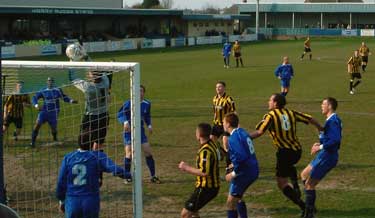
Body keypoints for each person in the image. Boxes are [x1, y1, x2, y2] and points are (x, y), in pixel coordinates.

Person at [250, 93, 322, 216]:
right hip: (297, 151)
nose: (268, 102)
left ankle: (304, 206)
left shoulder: (270, 115)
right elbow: (309, 118)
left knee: (281, 183)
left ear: (276, 103)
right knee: (289, 166)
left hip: (284, 152)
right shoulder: (291, 112)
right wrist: (321, 127)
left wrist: (244, 138)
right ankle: (295, 185)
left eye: (270, 100)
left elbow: (259, 131)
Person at [56, 131, 128, 218]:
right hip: (90, 201)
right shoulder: (98, 156)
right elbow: (116, 170)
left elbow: (61, 181)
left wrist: (61, 200)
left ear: (78, 143)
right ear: (92, 143)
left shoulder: (68, 158)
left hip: (72, 201)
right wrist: (129, 175)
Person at [300, 97, 342, 218]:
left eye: (323, 104)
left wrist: (320, 147)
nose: (321, 106)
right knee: (303, 174)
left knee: (309, 184)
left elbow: (335, 140)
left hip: (328, 156)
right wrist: (320, 143)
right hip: (324, 154)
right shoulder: (331, 120)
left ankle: (309, 213)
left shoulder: (333, 121)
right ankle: (311, 205)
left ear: (329, 106)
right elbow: (330, 138)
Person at [117, 85, 161, 184]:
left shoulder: (146, 104)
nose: (139, 93)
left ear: (143, 93)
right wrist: (125, 122)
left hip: (140, 131)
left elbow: (147, 115)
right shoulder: (128, 103)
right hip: (129, 132)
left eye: (141, 91)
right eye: (137, 91)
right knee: (129, 154)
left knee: (148, 152)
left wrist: (149, 125)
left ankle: (153, 176)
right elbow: (120, 114)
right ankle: (127, 176)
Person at [178, 123, 220, 218]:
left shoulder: (206, 151)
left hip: (206, 188)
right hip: (207, 187)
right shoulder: (211, 144)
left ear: (199, 134)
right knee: (194, 212)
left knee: (185, 214)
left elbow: (204, 172)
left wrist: (186, 167)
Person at [223, 113, 259, 218]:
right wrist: (233, 164)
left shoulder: (233, 139)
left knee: (230, 203)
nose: (223, 125)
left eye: (224, 122)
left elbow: (241, 157)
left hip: (245, 173)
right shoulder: (242, 131)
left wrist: (233, 174)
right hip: (253, 168)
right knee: (238, 197)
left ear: (228, 124)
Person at [31, 77, 77, 148]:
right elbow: (34, 97)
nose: (50, 82)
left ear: (53, 82)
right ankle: (32, 142)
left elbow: (64, 97)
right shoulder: (43, 90)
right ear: (47, 82)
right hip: (44, 111)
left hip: (54, 112)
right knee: (37, 124)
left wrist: (71, 101)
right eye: (49, 81)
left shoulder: (57, 90)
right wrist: (36, 105)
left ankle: (55, 138)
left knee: (53, 128)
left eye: (51, 81)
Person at [71, 71, 110, 150]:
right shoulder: (106, 83)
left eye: (90, 73)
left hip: (90, 117)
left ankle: (85, 158)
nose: (88, 74)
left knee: (84, 141)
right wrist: (87, 58)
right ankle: (97, 158)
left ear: (93, 77)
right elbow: (101, 73)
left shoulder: (88, 87)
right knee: (99, 142)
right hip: (104, 116)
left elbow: (72, 78)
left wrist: (72, 62)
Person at [210, 81, 236, 166]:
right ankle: (222, 153)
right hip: (217, 124)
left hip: (226, 125)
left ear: (224, 88)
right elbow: (215, 111)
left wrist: (234, 124)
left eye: (220, 87)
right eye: (217, 87)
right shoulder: (215, 98)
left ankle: (230, 163)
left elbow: (234, 112)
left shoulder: (229, 99)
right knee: (212, 139)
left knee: (225, 142)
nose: (218, 88)